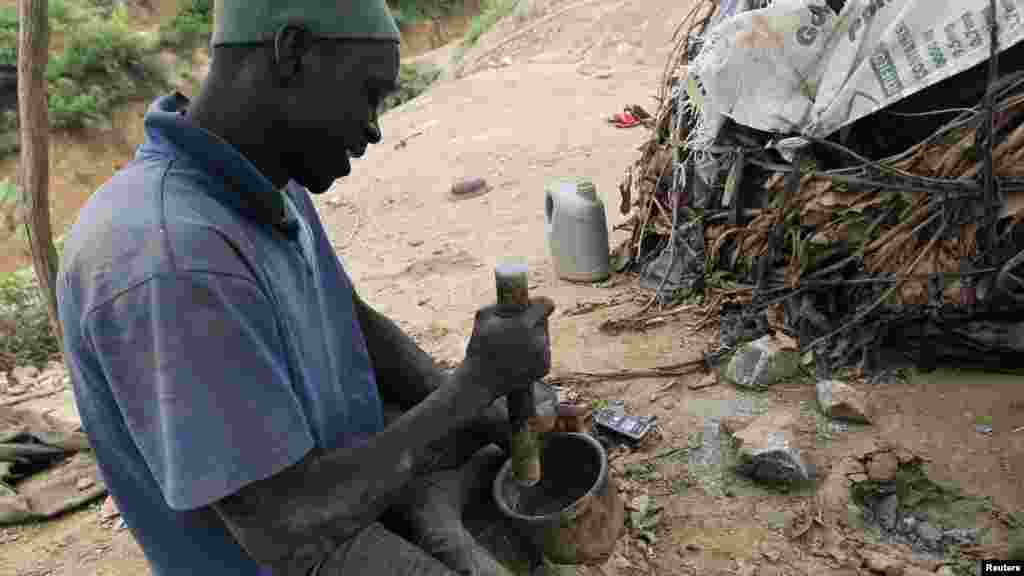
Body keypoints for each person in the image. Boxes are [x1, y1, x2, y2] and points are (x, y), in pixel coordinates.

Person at [55, 1, 566, 574]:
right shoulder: (171, 261)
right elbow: (286, 531)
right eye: (367, 94)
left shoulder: (264, 178)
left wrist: (486, 410)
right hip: (293, 545)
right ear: (292, 53)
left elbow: (347, 317)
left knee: (506, 471)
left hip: (341, 477)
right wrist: (473, 387)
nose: (374, 127)